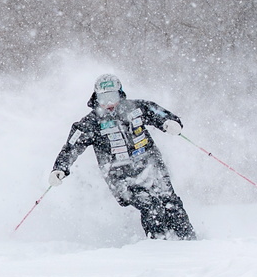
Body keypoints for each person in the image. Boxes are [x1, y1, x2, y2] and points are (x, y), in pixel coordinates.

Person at [49, 74, 197, 240]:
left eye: (112, 97)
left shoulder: (136, 108)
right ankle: (159, 243)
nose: (109, 104)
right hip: (119, 175)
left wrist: (169, 122)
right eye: (103, 98)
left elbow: (158, 113)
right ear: (96, 97)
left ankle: (188, 240)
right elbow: (71, 146)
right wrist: (60, 168)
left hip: (150, 165)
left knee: (169, 201)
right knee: (150, 205)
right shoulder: (91, 123)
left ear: (120, 94)